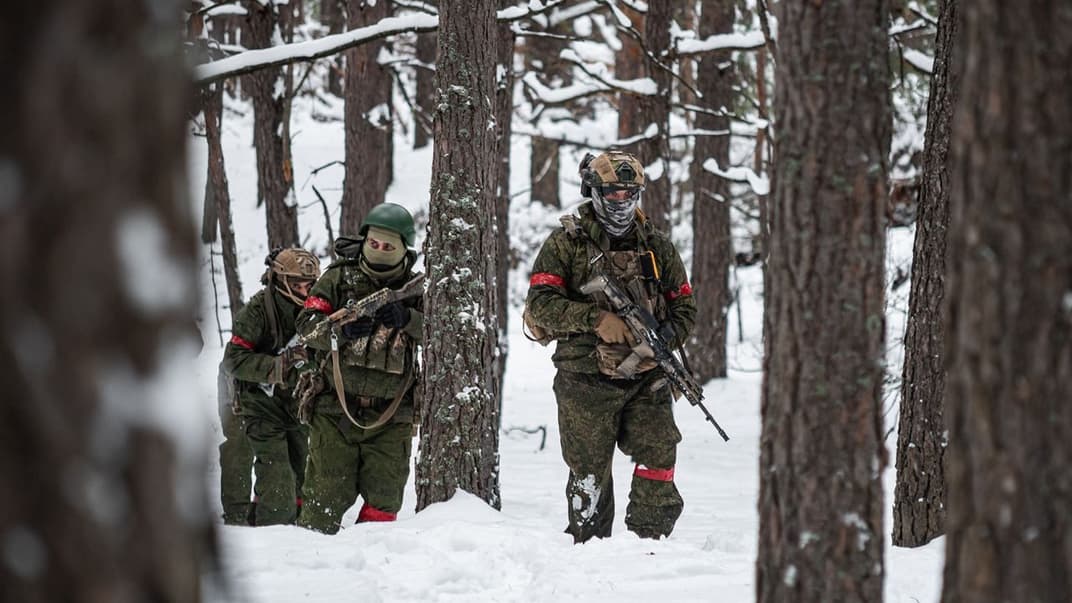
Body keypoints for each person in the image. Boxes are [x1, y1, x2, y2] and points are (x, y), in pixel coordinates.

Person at [524, 150, 697, 543]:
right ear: (595, 192)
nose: (621, 202)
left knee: (659, 450)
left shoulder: (657, 246)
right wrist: (598, 320)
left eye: (629, 193)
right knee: (589, 472)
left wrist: (666, 338)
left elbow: (684, 307)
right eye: (613, 194)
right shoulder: (566, 242)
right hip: (584, 377)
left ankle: (648, 544)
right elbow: (541, 304)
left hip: (646, 375)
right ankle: (589, 550)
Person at [295, 202, 423, 534]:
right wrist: (338, 331)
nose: (379, 251)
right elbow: (306, 326)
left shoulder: (417, 287)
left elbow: (445, 335)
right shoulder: (338, 278)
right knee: (323, 503)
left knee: (383, 505)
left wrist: (409, 320)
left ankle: (366, 575)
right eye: (374, 243)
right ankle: (316, 568)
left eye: (388, 246)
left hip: (391, 418)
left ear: (403, 249)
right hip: (335, 412)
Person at [222, 247, 321, 526]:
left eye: (309, 285)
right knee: (275, 472)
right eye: (297, 285)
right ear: (279, 281)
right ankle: (270, 532)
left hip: (293, 399)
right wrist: (278, 366)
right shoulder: (257, 311)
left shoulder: (316, 309)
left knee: (301, 466)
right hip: (251, 396)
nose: (304, 291)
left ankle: (298, 528)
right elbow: (234, 360)